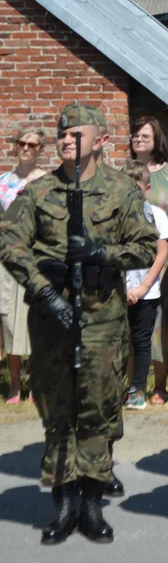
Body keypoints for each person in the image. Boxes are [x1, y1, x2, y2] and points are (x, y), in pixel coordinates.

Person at [0, 102, 157, 545]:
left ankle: (91, 504)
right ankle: (63, 502)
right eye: (62, 135)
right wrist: (43, 291)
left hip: (102, 317)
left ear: (101, 140)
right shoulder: (40, 190)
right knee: (56, 410)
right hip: (52, 318)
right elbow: (9, 241)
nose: (67, 141)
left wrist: (101, 254)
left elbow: (146, 246)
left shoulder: (123, 190)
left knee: (98, 408)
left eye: (76, 134)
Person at [130, 116, 168, 406]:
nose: (139, 140)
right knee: (132, 327)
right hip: (130, 265)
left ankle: (160, 387)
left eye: (145, 136)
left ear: (157, 140)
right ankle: (133, 386)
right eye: (136, 135)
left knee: (161, 326)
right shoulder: (123, 173)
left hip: (165, 264)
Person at [121, 162, 168, 411]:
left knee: (141, 341)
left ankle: (136, 390)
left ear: (147, 188)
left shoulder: (156, 215)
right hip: (117, 290)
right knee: (116, 341)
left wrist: (142, 288)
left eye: (137, 186)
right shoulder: (114, 214)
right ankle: (112, 387)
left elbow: (162, 254)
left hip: (147, 291)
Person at [1, 126, 46, 404]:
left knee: (35, 322)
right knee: (8, 321)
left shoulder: (48, 181)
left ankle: (36, 382)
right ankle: (15, 384)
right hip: (6, 261)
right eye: (22, 143)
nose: (27, 148)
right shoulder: (2, 181)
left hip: (36, 260)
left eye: (33, 144)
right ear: (15, 147)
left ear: (41, 150)